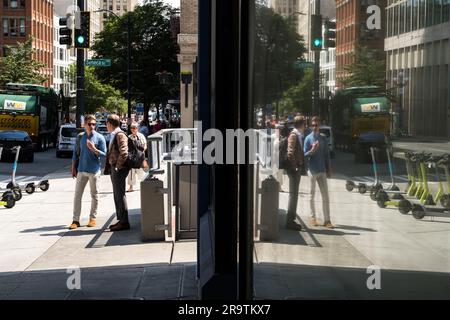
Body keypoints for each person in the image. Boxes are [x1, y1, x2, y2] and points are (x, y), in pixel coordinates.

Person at [69, 114, 107, 230]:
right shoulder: (80, 137)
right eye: (89, 124)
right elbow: (75, 153)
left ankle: (92, 218)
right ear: (84, 125)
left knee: (94, 195)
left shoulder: (99, 137)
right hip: (81, 170)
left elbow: (104, 154)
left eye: (94, 124)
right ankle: (75, 220)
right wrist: (73, 167)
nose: (92, 126)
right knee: (77, 195)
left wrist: (94, 149)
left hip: (94, 170)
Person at [304, 116, 333, 229]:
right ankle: (313, 217)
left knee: (325, 195)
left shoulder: (323, 138)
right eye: (313, 125)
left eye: (317, 124)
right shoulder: (308, 138)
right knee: (311, 195)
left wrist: (329, 169)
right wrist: (312, 150)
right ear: (311, 126)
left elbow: (327, 154)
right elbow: (304, 155)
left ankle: (327, 220)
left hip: (322, 170)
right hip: (312, 170)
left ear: (319, 125)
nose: (315, 126)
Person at [105, 114, 131, 231]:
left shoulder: (119, 134)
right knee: (117, 194)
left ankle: (124, 222)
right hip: (115, 167)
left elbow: (124, 152)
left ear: (110, 124)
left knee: (119, 194)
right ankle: (121, 220)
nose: (106, 126)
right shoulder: (115, 134)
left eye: (106, 124)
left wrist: (118, 167)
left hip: (118, 168)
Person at [285, 116, 307, 231]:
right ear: (301, 124)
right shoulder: (294, 135)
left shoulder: (297, 134)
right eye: (305, 124)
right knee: (293, 195)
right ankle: (290, 221)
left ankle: (291, 219)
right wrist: (295, 167)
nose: (305, 126)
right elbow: (290, 153)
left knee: (294, 194)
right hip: (294, 170)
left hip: (296, 168)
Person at [127, 122, 147, 193]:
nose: (133, 129)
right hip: (132, 158)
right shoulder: (129, 137)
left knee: (141, 172)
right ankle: (131, 187)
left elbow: (145, 146)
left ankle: (144, 185)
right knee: (131, 173)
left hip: (140, 157)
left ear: (137, 128)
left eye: (134, 128)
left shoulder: (141, 136)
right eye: (131, 128)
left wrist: (140, 153)